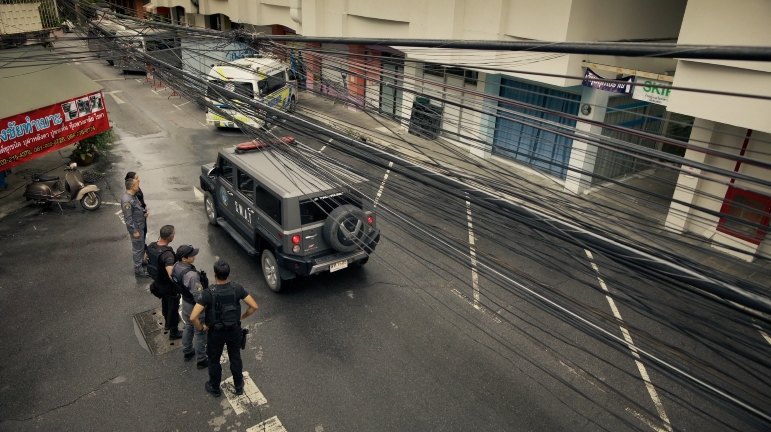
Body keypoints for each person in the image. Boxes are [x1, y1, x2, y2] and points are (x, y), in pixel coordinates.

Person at [190, 259, 258, 397]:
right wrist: (242, 317)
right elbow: (254, 306)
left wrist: (202, 328)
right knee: (235, 357)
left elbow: (193, 317)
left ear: (215, 274)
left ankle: (214, 388)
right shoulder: (237, 288)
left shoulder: (209, 293)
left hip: (216, 333)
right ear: (228, 274)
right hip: (234, 330)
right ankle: (239, 386)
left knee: (214, 360)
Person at [172, 244, 208, 369]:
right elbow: (199, 296)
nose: (194, 256)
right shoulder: (192, 276)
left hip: (186, 304)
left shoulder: (176, 266)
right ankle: (202, 359)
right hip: (194, 306)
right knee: (200, 332)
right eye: (192, 255)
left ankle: (187, 351)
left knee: (188, 326)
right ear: (184, 258)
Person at [147, 225, 182, 339]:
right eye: (173, 234)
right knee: (173, 307)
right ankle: (174, 332)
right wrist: (179, 284)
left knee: (165, 303)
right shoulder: (168, 255)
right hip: (168, 286)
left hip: (158, 283)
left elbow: (145, 258)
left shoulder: (152, 246)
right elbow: (171, 274)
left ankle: (167, 323)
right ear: (170, 237)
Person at [121, 177, 148, 278]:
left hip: (140, 226)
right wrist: (134, 231)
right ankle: (138, 270)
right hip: (136, 229)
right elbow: (128, 219)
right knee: (138, 249)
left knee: (141, 247)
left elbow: (137, 208)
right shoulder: (127, 200)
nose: (138, 186)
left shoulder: (133, 196)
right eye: (137, 184)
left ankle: (140, 262)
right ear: (132, 186)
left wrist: (143, 213)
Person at [124, 172, 148, 240]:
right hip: (138, 224)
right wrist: (134, 231)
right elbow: (128, 218)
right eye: (136, 178)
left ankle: (143, 247)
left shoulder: (136, 190)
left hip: (141, 219)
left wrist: (144, 210)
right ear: (132, 183)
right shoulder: (128, 198)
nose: (139, 180)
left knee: (143, 236)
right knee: (138, 244)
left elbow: (138, 203)